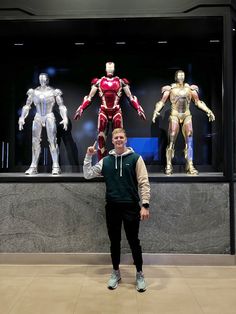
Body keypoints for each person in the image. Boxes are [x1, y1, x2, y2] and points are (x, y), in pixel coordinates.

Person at [83, 128, 150, 292]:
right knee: (114, 242)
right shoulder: (106, 161)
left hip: (131, 207)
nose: (119, 140)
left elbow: (144, 182)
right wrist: (88, 156)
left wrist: (145, 205)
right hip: (112, 207)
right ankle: (115, 273)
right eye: (116, 138)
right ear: (112, 141)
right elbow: (88, 175)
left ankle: (140, 274)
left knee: (134, 242)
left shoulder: (136, 158)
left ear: (126, 139)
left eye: (121, 137)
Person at [74, 62, 146, 160]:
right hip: (104, 111)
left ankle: (120, 163)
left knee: (119, 138)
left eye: (112, 67)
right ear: (105, 69)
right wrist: (81, 108)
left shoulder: (121, 82)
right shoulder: (98, 82)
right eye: (108, 67)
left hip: (116, 111)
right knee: (101, 139)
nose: (110, 68)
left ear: (114, 68)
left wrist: (138, 109)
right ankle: (101, 164)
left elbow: (131, 97)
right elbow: (89, 97)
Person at [152, 70, 215, 175]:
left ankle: (189, 164)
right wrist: (156, 111)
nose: (181, 77)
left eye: (182, 75)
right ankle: (168, 164)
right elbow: (161, 102)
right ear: (175, 77)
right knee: (171, 137)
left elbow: (198, 102)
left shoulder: (190, 89)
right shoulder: (170, 89)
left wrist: (208, 111)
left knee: (189, 139)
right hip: (175, 114)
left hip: (186, 114)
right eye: (179, 75)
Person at [18, 73, 68, 175]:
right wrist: (22, 117)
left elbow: (61, 106)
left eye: (44, 79)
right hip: (38, 116)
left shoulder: (54, 92)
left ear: (47, 80)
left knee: (52, 141)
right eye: (40, 79)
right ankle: (33, 166)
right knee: (35, 142)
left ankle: (56, 166)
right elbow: (27, 106)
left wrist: (65, 118)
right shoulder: (33, 92)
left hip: (49, 115)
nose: (42, 81)